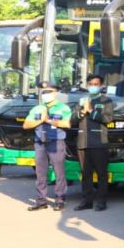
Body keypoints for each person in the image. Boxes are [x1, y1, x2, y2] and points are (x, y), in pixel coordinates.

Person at [22, 81, 73, 210]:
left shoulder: (63, 108)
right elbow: (26, 124)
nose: (45, 94)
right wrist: (40, 120)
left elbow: (67, 124)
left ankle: (60, 199)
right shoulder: (38, 108)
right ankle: (41, 201)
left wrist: (49, 120)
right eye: (43, 92)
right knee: (40, 173)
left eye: (48, 92)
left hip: (56, 143)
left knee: (59, 172)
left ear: (55, 93)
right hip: (40, 143)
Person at [71, 74, 115, 211]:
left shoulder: (106, 101)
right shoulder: (82, 101)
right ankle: (87, 200)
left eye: (96, 84)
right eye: (90, 84)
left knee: (102, 174)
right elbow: (73, 119)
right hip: (83, 142)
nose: (93, 86)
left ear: (101, 86)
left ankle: (101, 201)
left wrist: (91, 111)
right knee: (85, 174)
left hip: (99, 142)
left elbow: (108, 119)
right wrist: (82, 112)